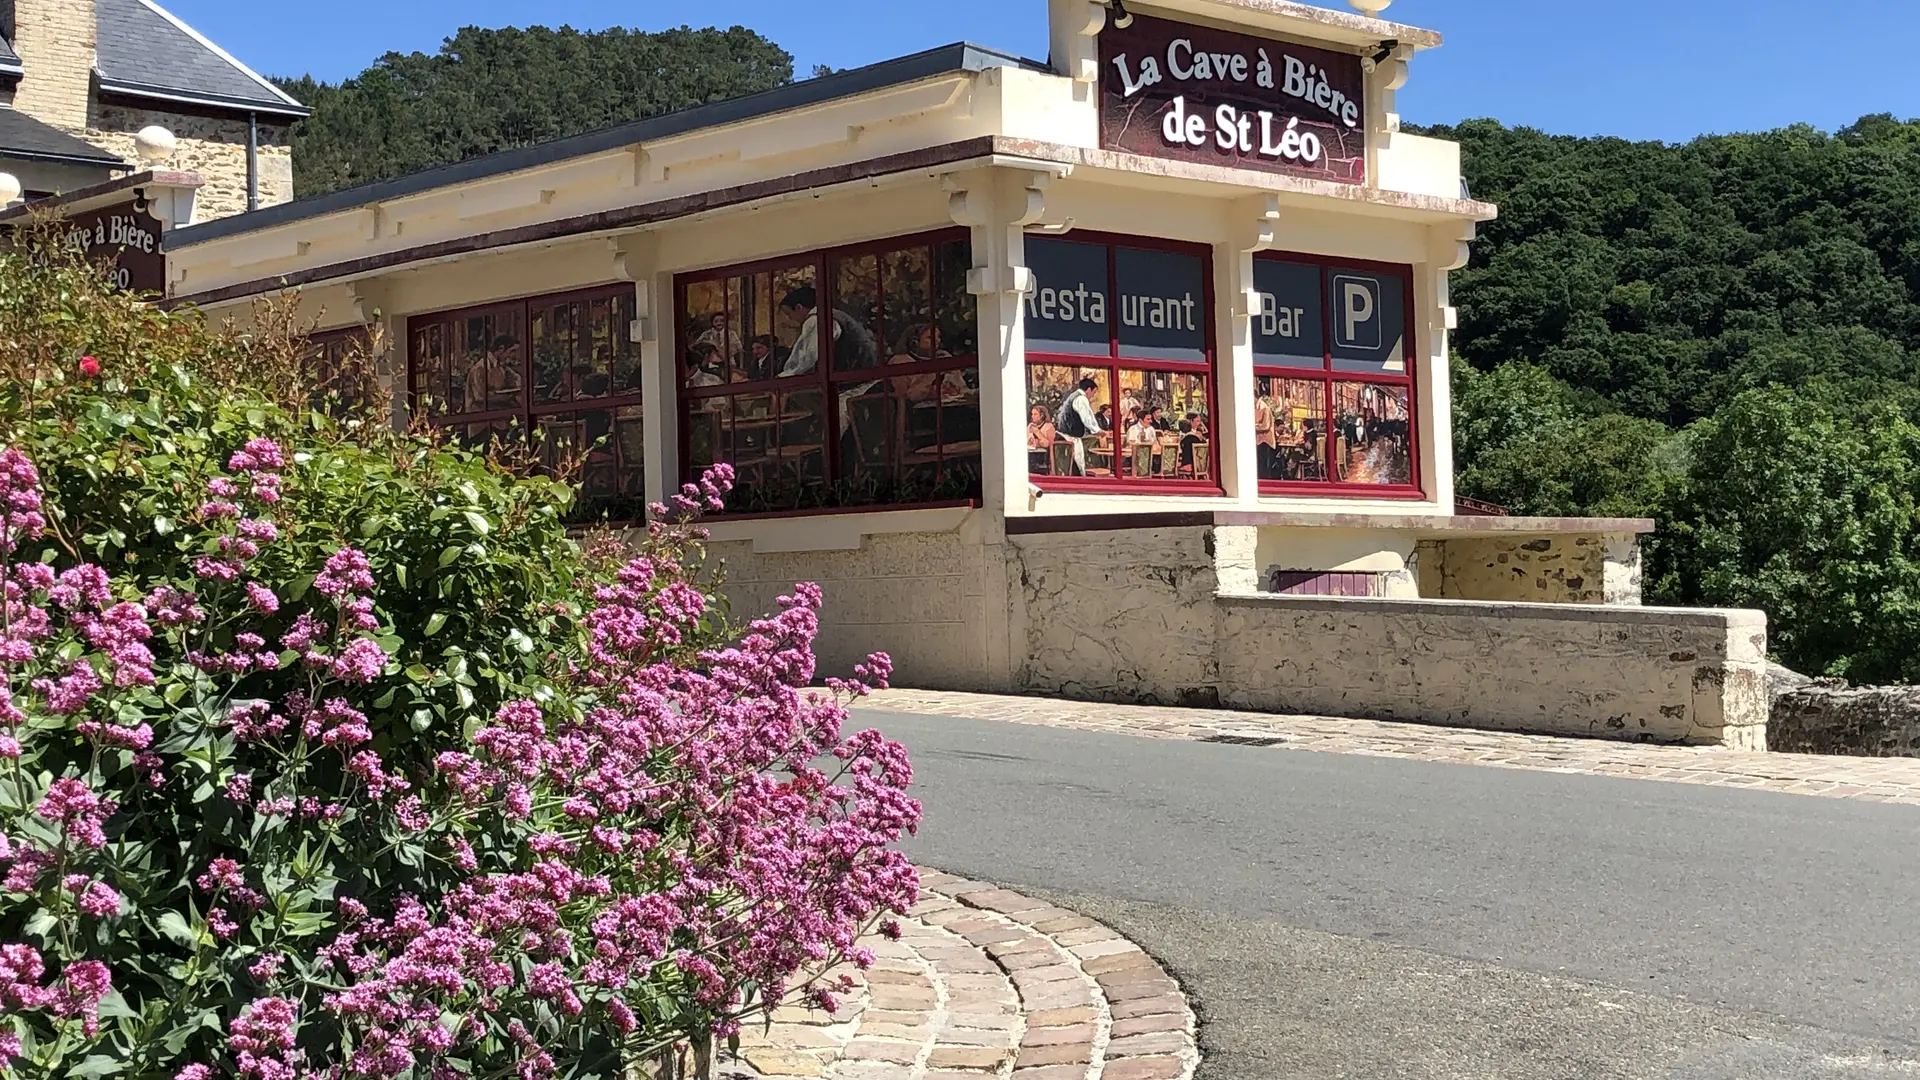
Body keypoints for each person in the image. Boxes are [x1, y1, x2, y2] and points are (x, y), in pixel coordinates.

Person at [777, 286, 876, 376]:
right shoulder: (831, 315)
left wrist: (787, 375)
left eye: (788, 313)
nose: (790, 318)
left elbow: (809, 357)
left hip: (852, 378)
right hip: (862, 372)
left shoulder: (816, 320)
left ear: (799, 307)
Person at [1053, 376, 1102, 475]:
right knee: (1077, 464)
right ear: (1088, 389)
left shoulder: (1073, 396)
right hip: (1070, 437)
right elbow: (1087, 418)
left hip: (1063, 436)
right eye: (1094, 392)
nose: (1093, 395)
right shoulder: (1081, 398)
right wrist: (1097, 431)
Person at [464, 333, 521, 412]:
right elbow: (480, 397)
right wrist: (507, 398)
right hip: (481, 419)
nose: (512, 355)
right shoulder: (481, 368)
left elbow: (514, 381)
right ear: (501, 348)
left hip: (497, 417)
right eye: (512, 351)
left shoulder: (502, 368)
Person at [1026, 405, 1056, 474]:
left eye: (1035, 414)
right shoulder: (1030, 426)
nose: (1032, 416)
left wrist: (1037, 432)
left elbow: (1047, 444)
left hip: (1045, 459)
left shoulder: (1048, 427)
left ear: (1042, 415)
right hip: (1032, 457)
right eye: (1032, 414)